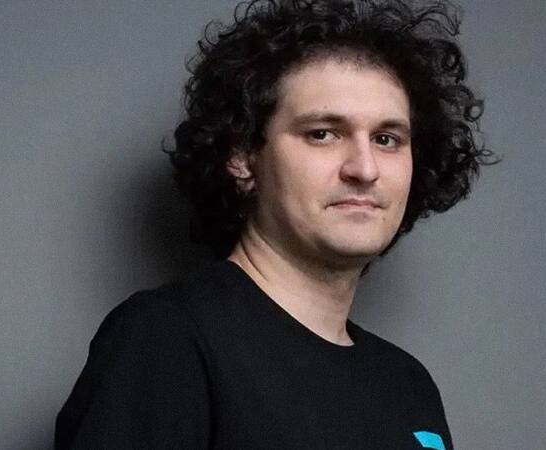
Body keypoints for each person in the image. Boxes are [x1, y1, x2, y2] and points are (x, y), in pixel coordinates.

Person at [55, 0, 492, 448]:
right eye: (322, 133)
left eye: (386, 139)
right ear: (243, 157)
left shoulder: (408, 385)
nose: (365, 168)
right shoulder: (167, 337)